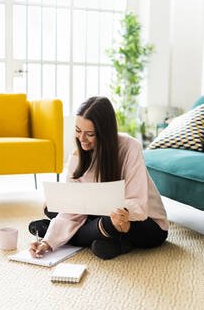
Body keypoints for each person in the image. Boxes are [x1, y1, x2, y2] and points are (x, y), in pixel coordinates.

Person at [29, 96, 169, 260]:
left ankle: (77, 234)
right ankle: (110, 242)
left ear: (105, 133)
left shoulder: (130, 147)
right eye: (78, 131)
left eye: (90, 134)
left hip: (142, 223)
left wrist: (119, 213)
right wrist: (47, 242)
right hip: (101, 216)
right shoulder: (78, 156)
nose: (82, 139)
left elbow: (138, 203)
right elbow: (72, 211)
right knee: (53, 207)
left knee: (109, 222)